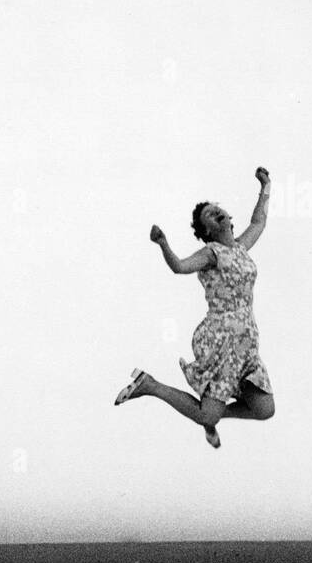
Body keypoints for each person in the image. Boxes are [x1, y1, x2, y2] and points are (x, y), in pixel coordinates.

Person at [114, 167, 275, 448]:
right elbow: (179, 267)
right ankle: (149, 385)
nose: (217, 213)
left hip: (246, 342)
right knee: (204, 414)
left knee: (264, 409)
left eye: (217, 209)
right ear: (207, 231)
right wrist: (163, 243)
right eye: (210, 216)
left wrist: (266, 186)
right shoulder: (211, 253)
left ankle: (214, 418)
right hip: (221, 340)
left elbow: (259, 221)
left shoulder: (240, 248)